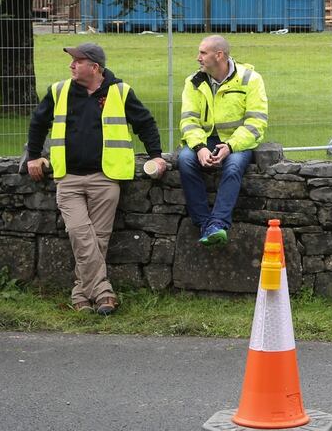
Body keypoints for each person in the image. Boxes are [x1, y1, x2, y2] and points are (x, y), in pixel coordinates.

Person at [27, 43, 166, 315]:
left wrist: (157, 155)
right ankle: (103, 292)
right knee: (81, 234)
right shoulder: (59, 91)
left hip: (106, 178)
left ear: (95, 67)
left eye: (77, 61)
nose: (71, 65)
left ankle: (81, 295)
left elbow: (145, 123)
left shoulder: (121, 92)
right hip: (68, 178)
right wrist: (33, 156)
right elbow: (38, 122)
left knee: (97, 239)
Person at [178, 35, 268, 247]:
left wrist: (230, 146)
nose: (197, 58)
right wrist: (199, 147)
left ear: (219, 55)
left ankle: (217, 223)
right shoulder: (194, 81)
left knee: (234, 166)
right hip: (205, 140)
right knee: (185, 160)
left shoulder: (251, 79)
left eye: (202, 53)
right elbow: (188, 121)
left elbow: (256, 122)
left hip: (237, 142)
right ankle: (205, 224)